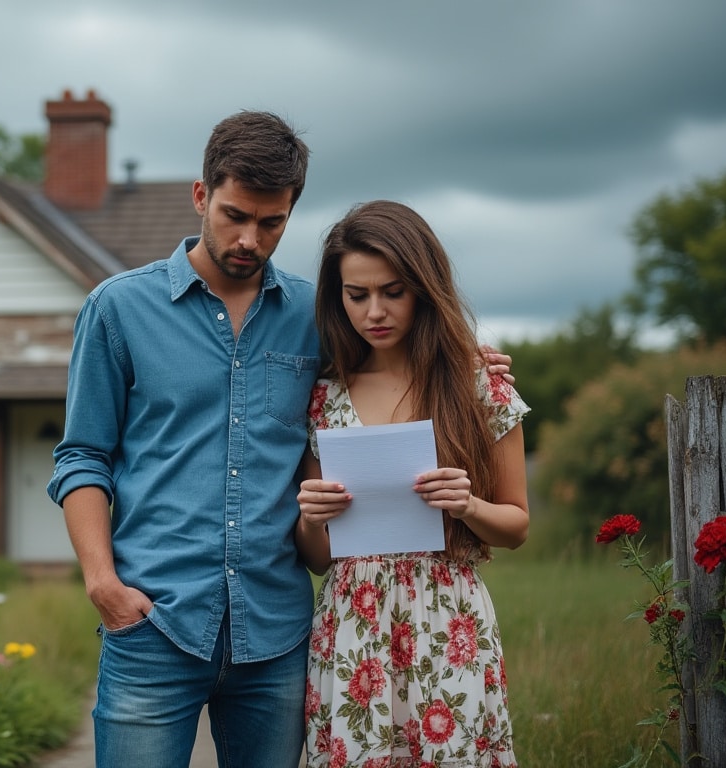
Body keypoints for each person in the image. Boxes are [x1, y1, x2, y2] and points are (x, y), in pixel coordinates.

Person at [48, 112, 512, 767]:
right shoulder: (118, 310)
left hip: (277, 634)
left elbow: (395, 353)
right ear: (201, 195)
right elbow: (82, 457)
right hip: (152, 623)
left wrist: (469, 360)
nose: (250, 238)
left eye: (272, 222)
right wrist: (102, 583)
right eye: (235, 214)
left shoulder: (315, 315)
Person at [294, 200, 529, 767]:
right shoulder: (322, 396)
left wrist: (468, 504)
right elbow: (319, 559)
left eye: (393, 291)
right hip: (352, 625)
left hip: (449, 619)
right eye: (357, 295)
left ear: (424, 287)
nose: (375, 310)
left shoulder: (478, 386)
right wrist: (310, 517)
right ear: (338, 297)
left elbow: (516, 526)